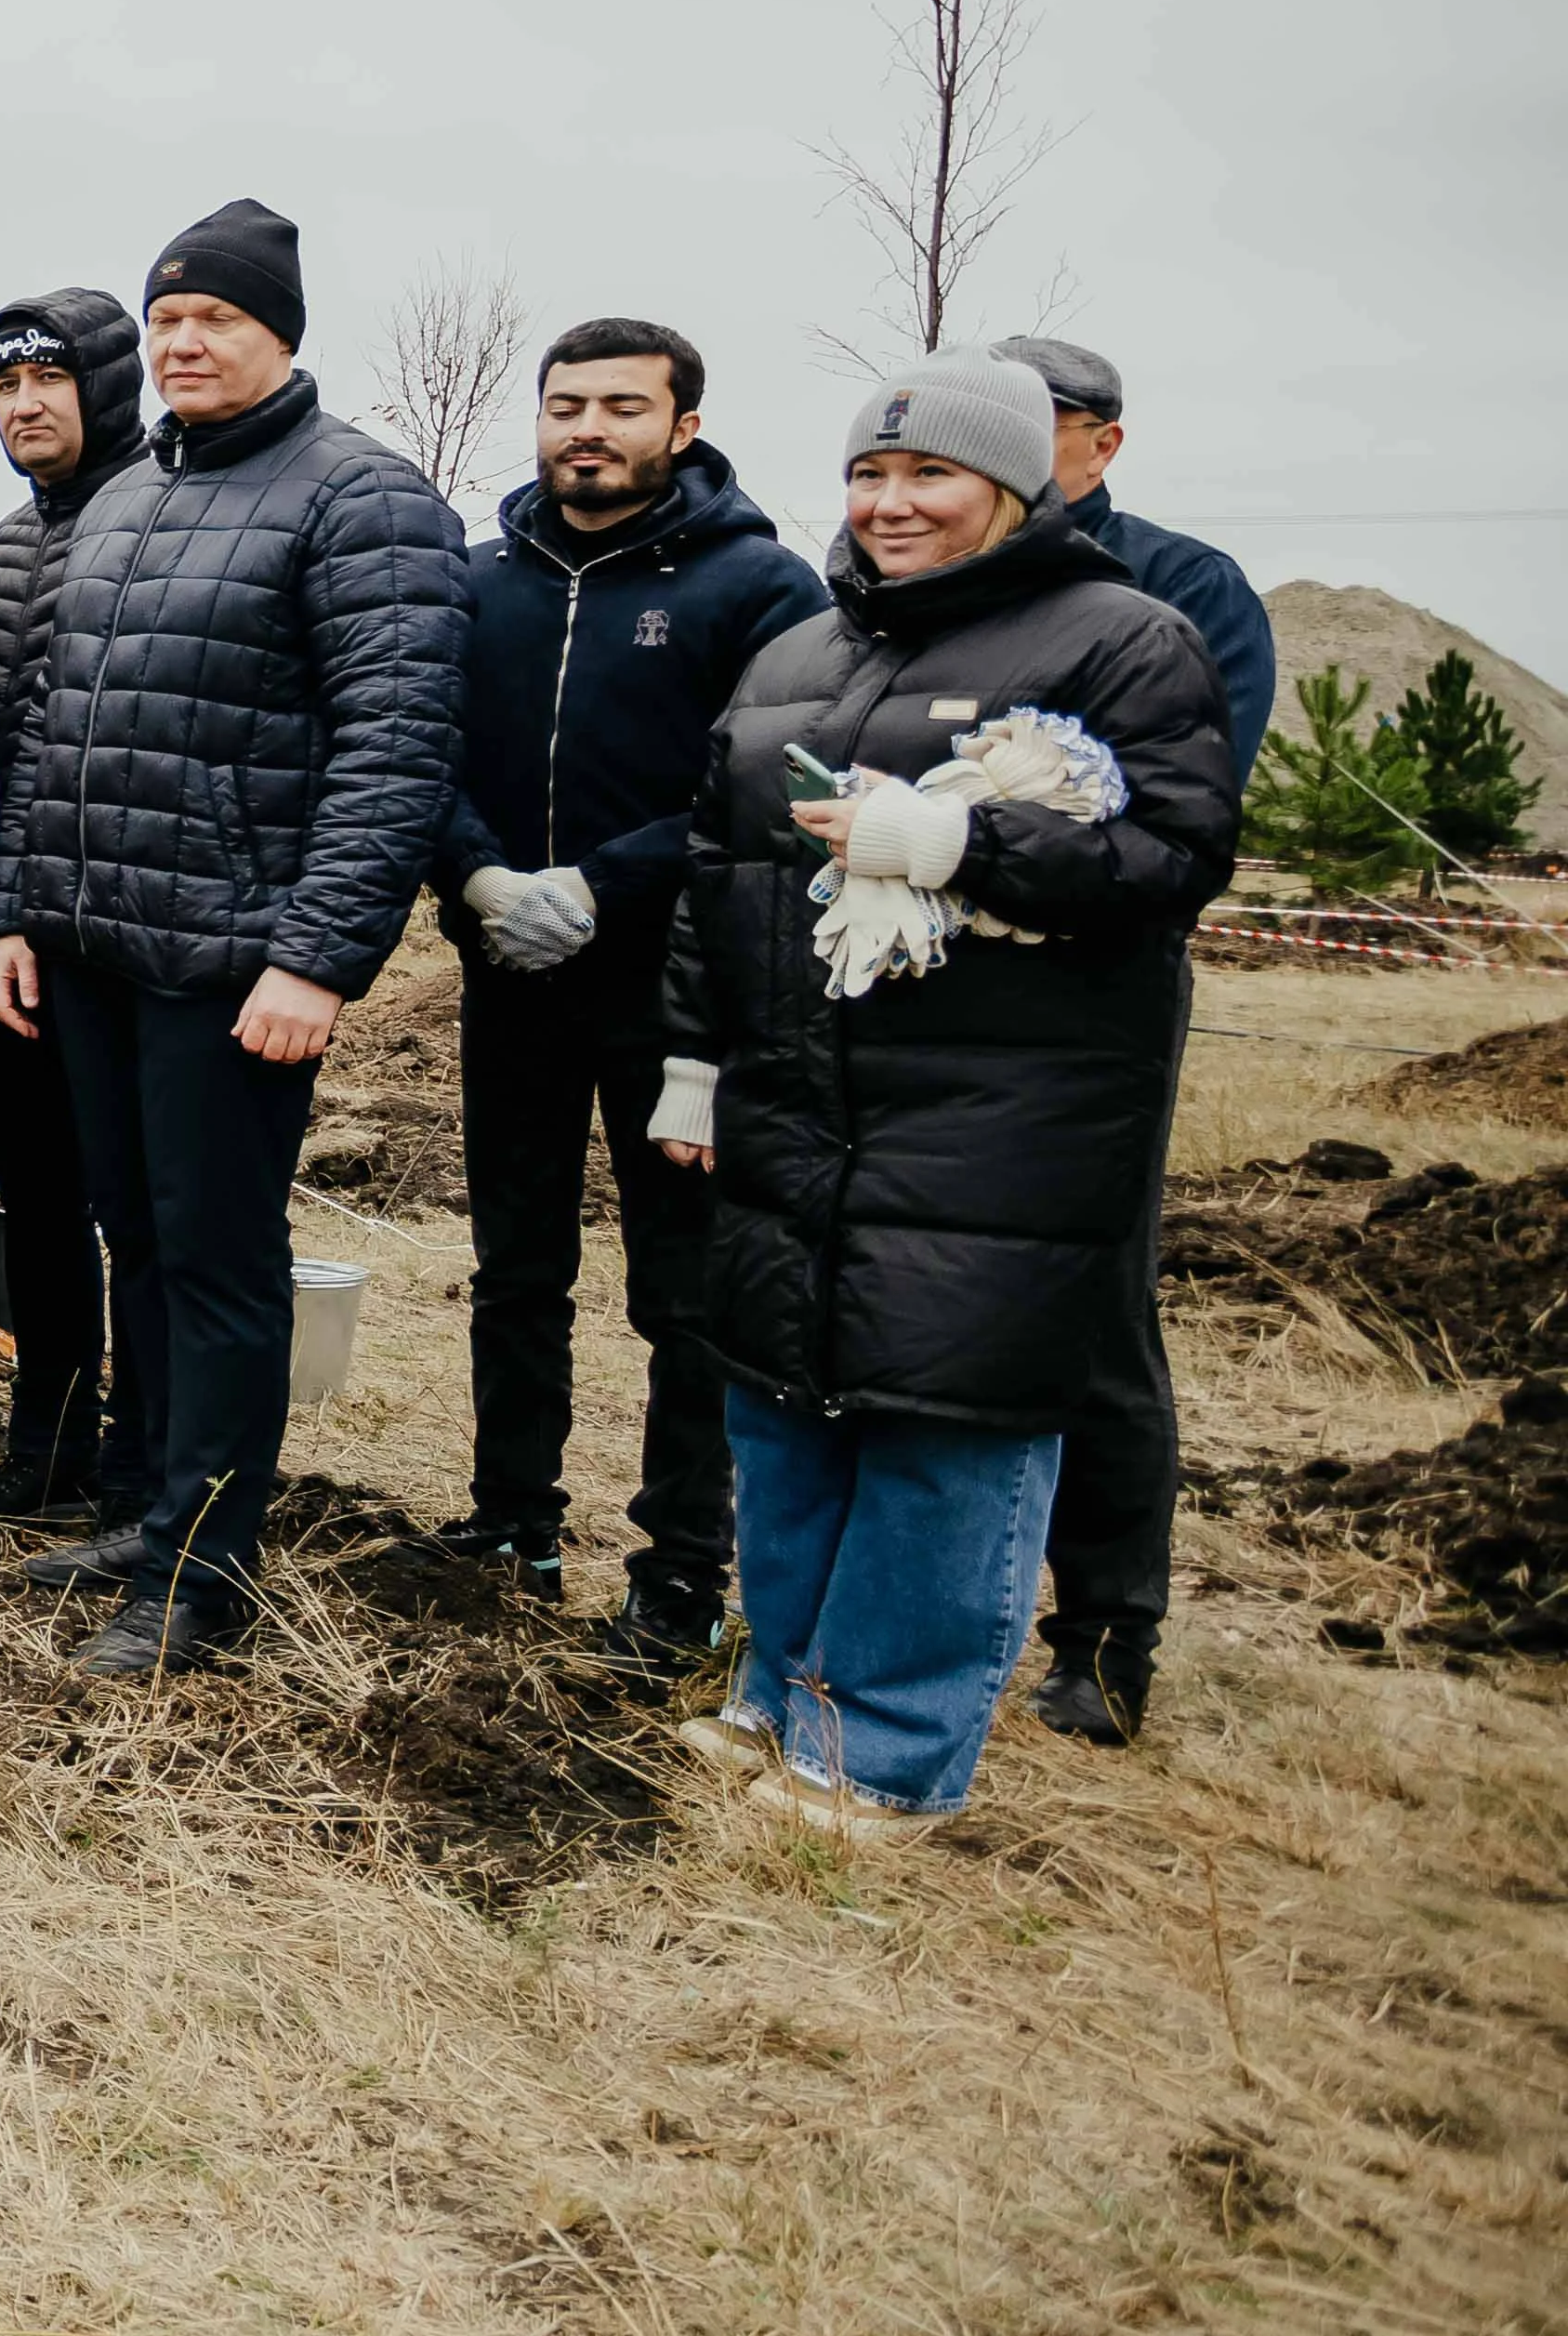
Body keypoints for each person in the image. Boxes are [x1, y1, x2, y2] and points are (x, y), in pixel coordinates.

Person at [652, 355, 1236, 1825]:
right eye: (870, 475)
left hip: (1001, 1109)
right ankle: (778, 1689)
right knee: (785, 1399)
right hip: (798, 1090)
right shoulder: (796, 652)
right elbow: (714, 875)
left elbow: (1171, 860)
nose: (893, 503)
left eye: (931, 479)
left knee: (939, 1415)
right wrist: (690, 1062)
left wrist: (962, 848)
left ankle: (884, 1753)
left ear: (1015, 488)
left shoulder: (1122, 641)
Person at [0, 202, 468, 1672]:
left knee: (221, 1258)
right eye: (168, 320)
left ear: (282, 336)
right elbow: (52, 731)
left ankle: (202, 1568)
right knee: (138, 1238)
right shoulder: (127, 500)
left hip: (230, 958)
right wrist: (18, 909)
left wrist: (319, 954)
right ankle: (147, 1508)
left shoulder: (360, 498)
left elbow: (398, 745)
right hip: (91, 945)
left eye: (219, 321)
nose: (186, 342)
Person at [430, 320, 828, 1662]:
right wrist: (482, 880)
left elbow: (762, 780)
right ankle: (509, 1522)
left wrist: (609, 881)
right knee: (517, 1266)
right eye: (563, 405)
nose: (585, 428)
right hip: (514, 974)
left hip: (680, 987)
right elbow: (419, 749)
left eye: (619, 406)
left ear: (683, 426)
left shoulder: (760, 590)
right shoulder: (477, 582)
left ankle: (680, 1569)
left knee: (685, 1289)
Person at [990, 333, 1269, 1743]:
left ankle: (1103, 1633)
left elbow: (1176, 819)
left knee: (1093, 1309)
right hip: (919, 1014)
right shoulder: (916, 588)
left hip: (1088, 1010)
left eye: (1035, 426)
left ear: (1103, 442)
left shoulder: (1179, 591)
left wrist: (973, 849)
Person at [0, 293, 150, 1531]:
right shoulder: (5, 546)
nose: (25, 407)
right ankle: (48, 1446)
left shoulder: (154, 523)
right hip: (0, 930)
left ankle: (147, 1466)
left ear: (107, 386)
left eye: (48, 382)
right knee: (34, 1202)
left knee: (135, 1212)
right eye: (4, 388)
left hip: (107, 932)